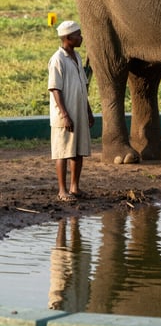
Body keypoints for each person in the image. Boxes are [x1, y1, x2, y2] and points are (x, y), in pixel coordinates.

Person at [48, 20, 94, 201]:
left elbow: (83, 86)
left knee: (78, 150)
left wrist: (88, 111)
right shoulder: (57, 59)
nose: (81, 38)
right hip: (64, 114)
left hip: (79, 111)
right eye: (78, 35)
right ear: (68, 38)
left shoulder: (77, 57)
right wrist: (65, 115)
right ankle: (62, 190)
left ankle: (75, 187)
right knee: (62, 151)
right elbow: (55, 89)